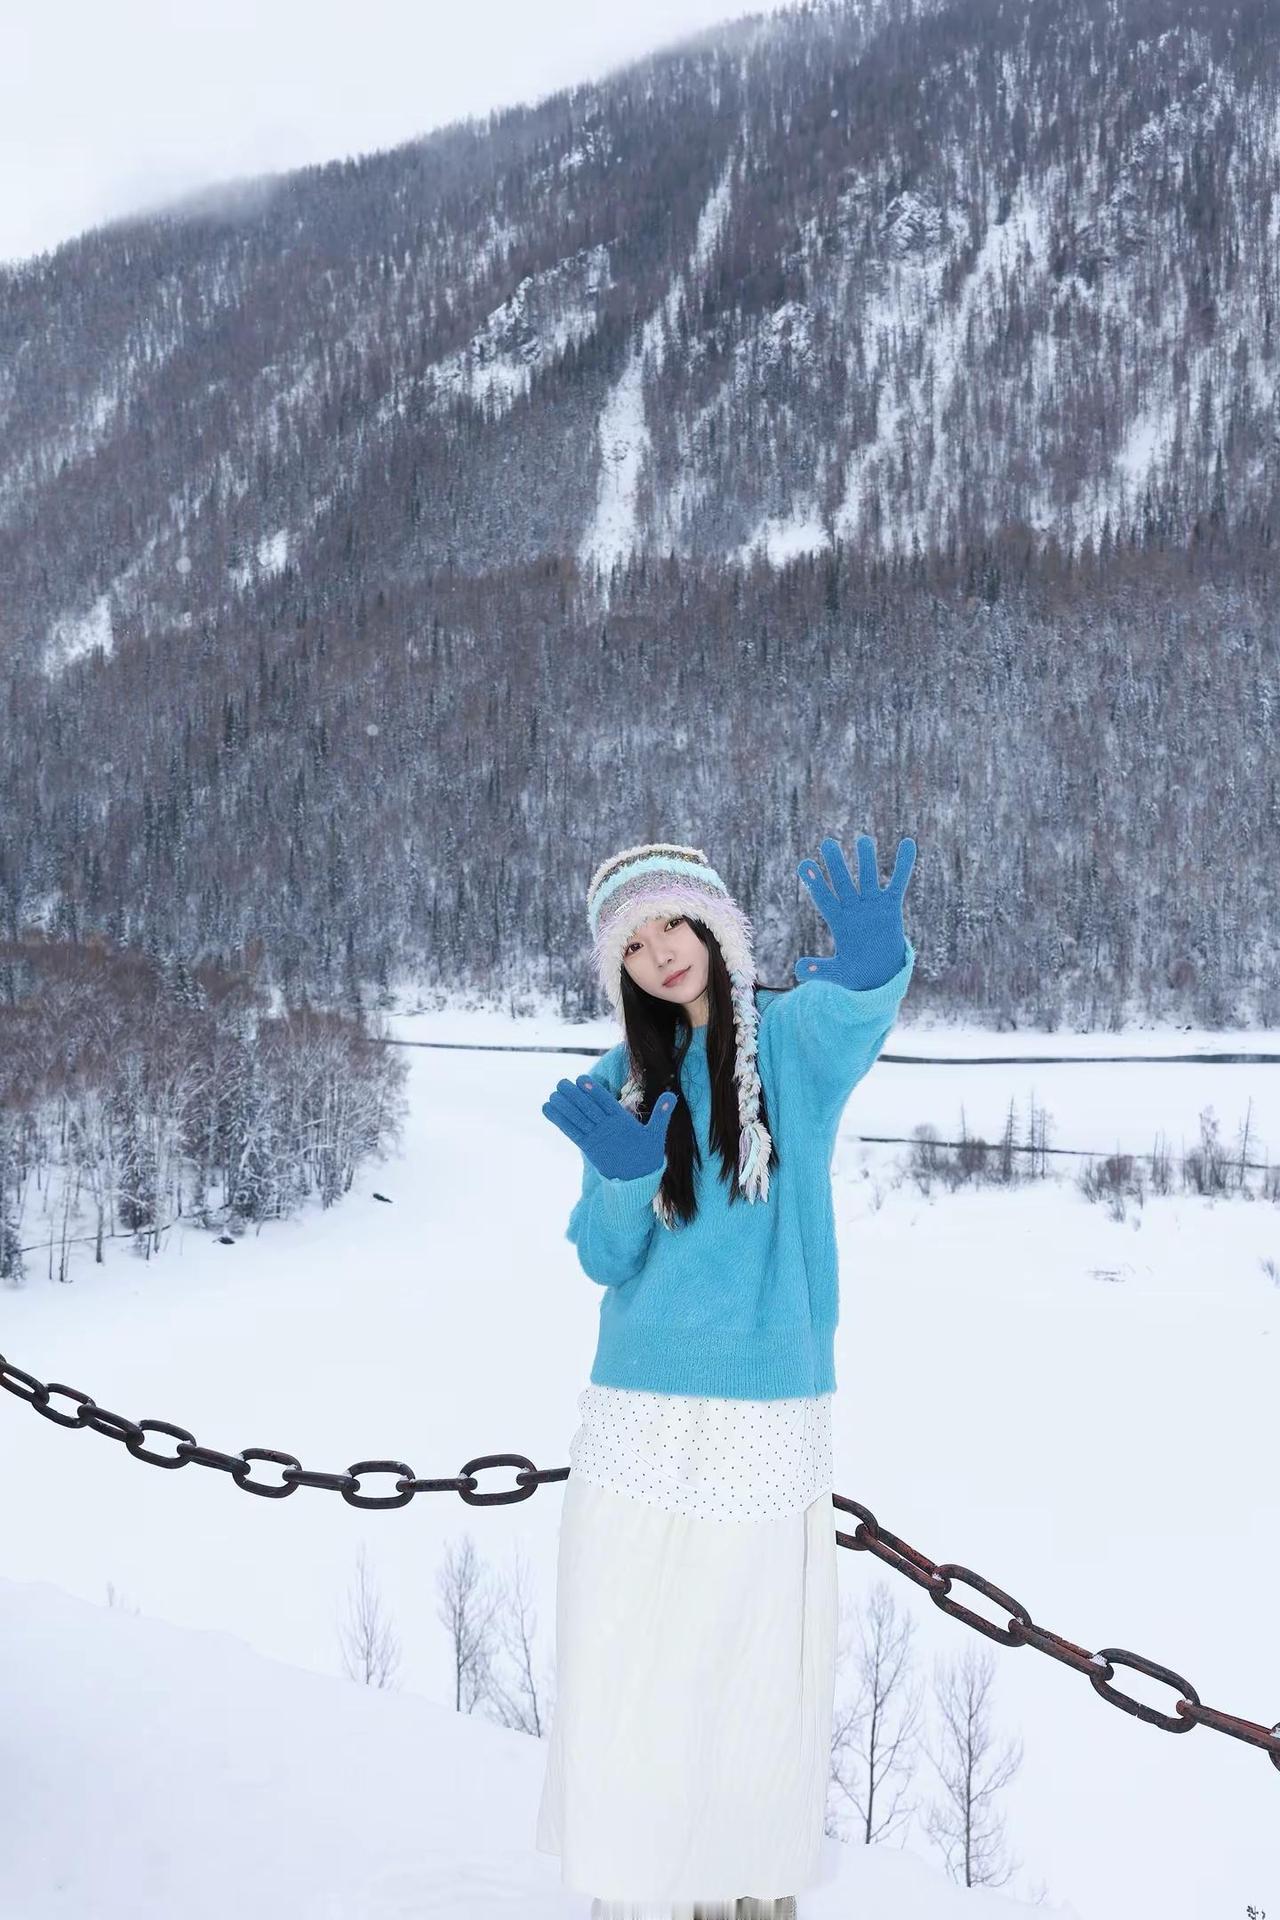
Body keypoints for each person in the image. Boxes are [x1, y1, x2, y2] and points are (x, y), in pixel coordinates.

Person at [535, 834, 918, 1920]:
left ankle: (747, 1895)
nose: (661, 953)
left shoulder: (786, 1042)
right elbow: (604, 1258)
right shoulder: (617, 1082)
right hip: (637, 1407)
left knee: (750, 1659)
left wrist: (875, 966)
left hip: (765, 1403)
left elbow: (852, 1022)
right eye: (635, 943)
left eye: (674, 925)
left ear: (715, 928)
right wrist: (621, 1179)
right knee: (638, 1656)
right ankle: (641, 1887)